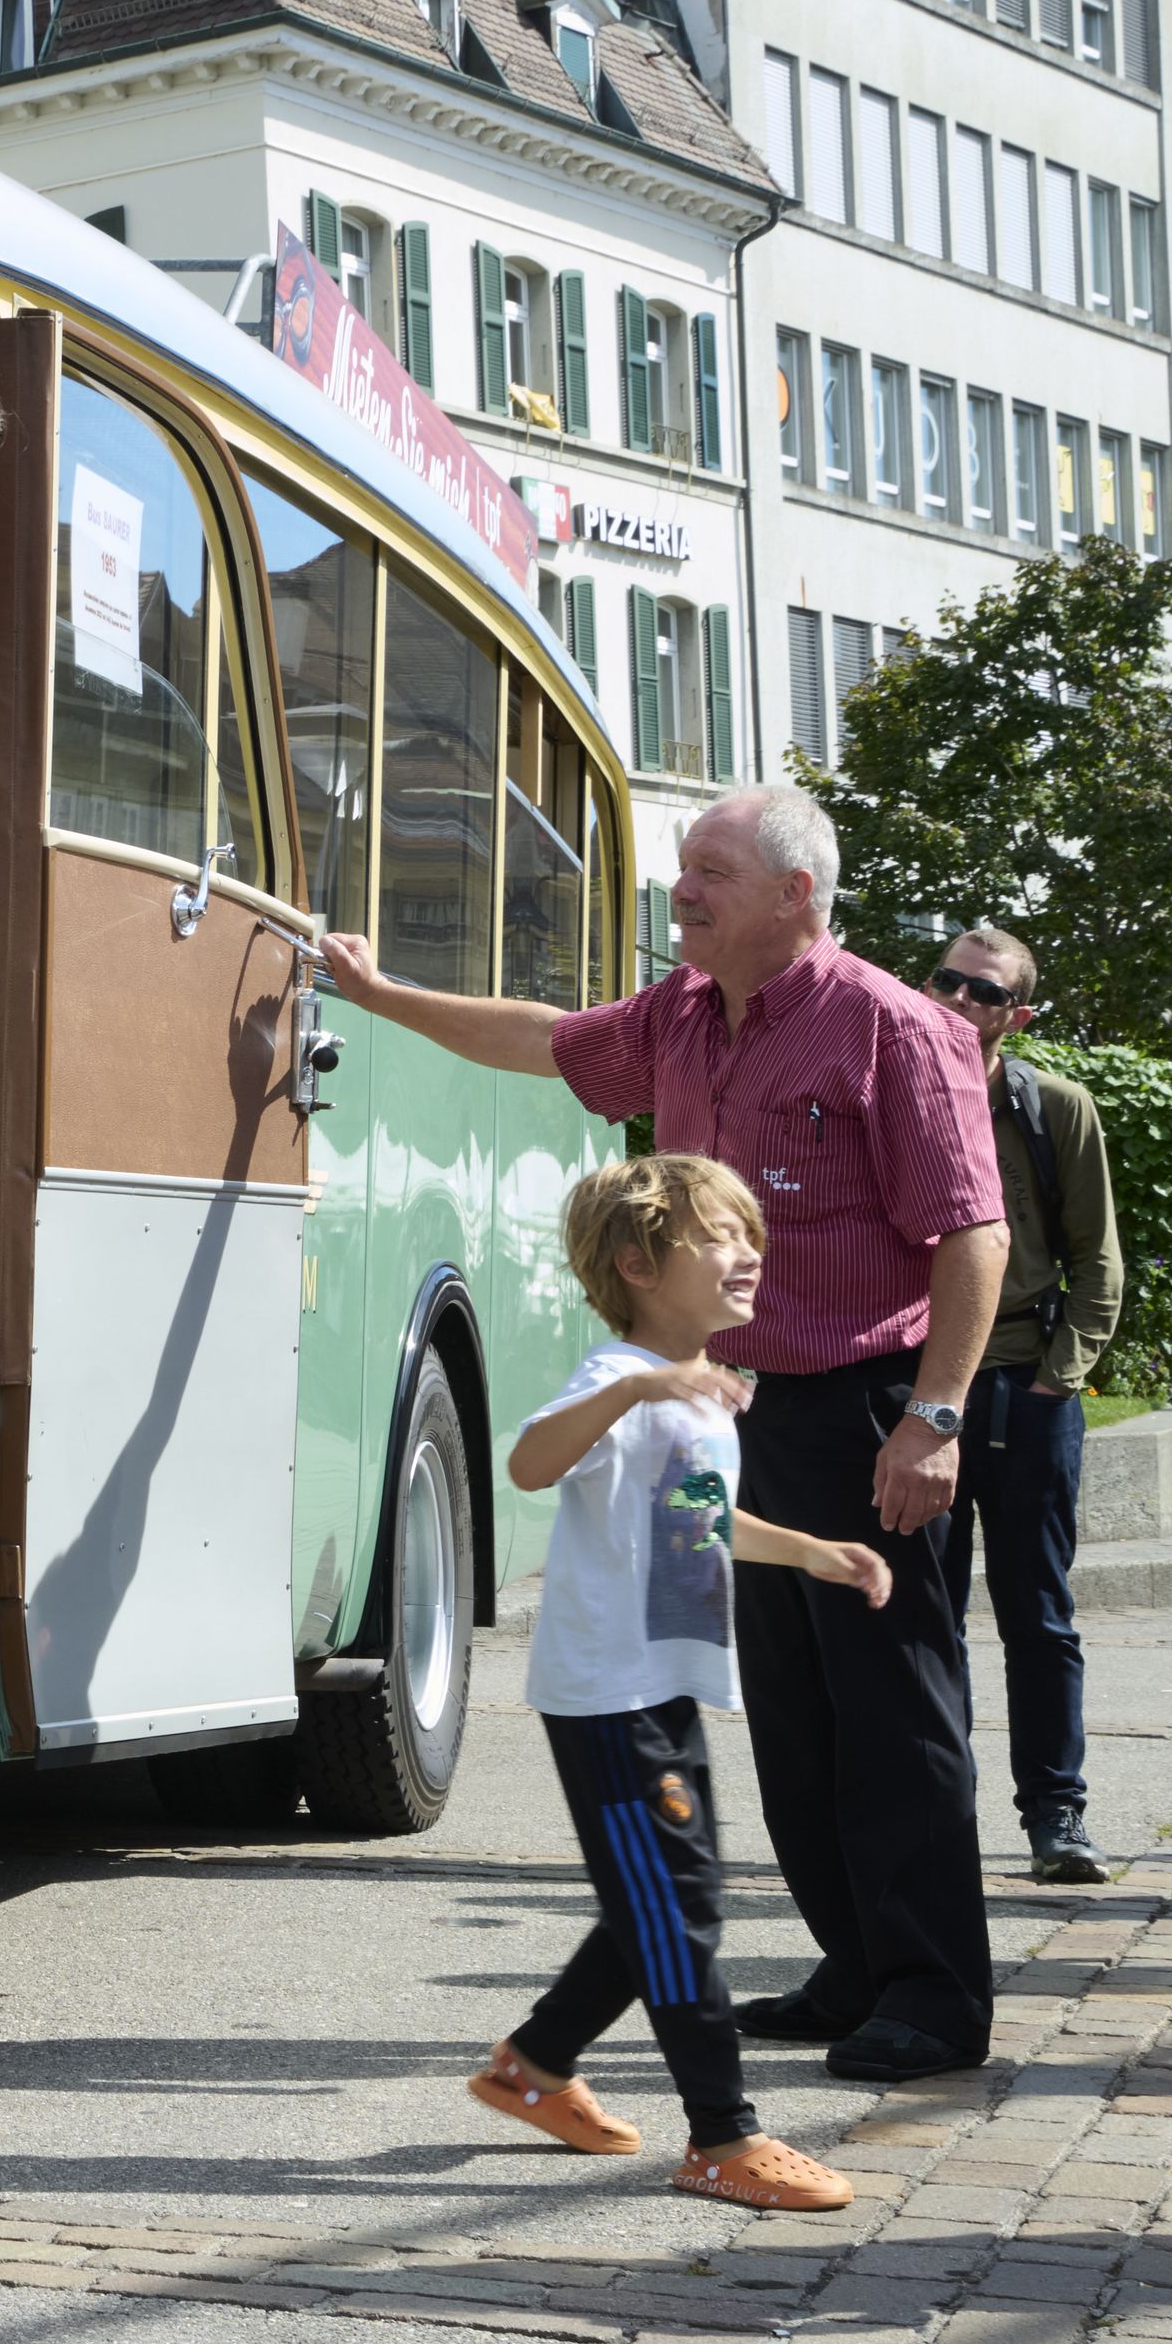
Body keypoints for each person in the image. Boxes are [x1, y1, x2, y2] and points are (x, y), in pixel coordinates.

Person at [319, 787, 1008, 2084]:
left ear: (797, 893)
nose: (680, 893)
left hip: (864, 1407)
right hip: (730, 1412)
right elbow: (540, 1039)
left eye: (709, 873)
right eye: (680, 870)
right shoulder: (683, 1015)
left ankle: (934, 1992)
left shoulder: (890, 1028)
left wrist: (936, 1416)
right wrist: (380, 994)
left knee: (893, 1711)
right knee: (793, 1715)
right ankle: (856, 1964)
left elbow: (972, 1231)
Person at [470, 1156, 877, 2211]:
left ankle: (531, 2064)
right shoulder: (620, 1377)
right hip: (605, 1695)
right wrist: (638, 1386)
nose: (747, 1253)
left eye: (748, 1232)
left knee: (664, 1896)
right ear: (636, 1264)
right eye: (716, 1236)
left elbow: (693, 1524)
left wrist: (813, 1551)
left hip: (661, 1685)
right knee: (673, 1914)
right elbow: (525, 1462)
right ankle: (721, 2136)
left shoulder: (699, 1396)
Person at [917, 926, 1125, 1886]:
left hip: (1024, 1392)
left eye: (984, 993)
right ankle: (935, 1812)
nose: (959, 1002)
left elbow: (1099, 1259)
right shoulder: (890, 1093)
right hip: (915, 1392)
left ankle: (1056, 1815)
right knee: (925, 1613)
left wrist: (1058, 1376)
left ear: (1018, 1014)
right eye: (945, 982)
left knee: (1036, 1613)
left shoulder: (1055, 1109)